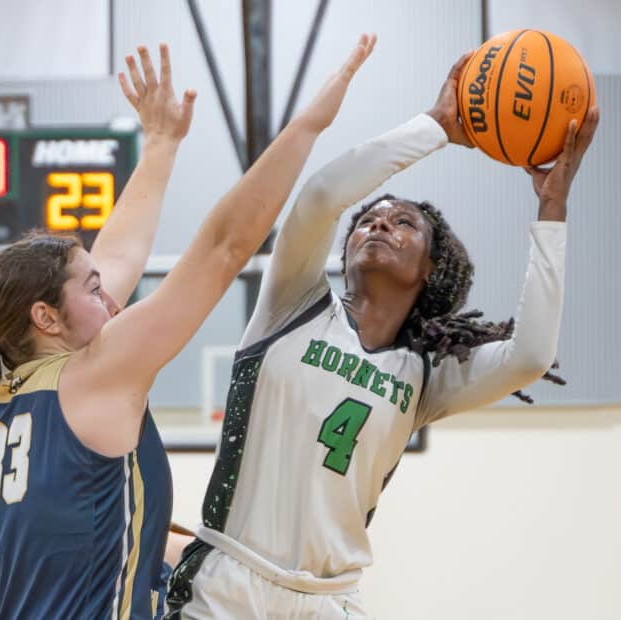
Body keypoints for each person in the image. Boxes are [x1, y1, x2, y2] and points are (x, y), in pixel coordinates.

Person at [0, 35, 376, 619]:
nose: (115, 301)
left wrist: (161, 145)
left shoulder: (15, 389)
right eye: (94, 292)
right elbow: (224, 247)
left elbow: (115, 258)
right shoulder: (93, 375)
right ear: (46, 317)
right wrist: (308, 127)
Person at [165, 52, 600, 619]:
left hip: (330, 601)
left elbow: (531, 355)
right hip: (228, 585)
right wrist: (435, 128)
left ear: (431, 269)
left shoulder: (423, 377)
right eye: (369, 220)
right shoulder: (291, 304)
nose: (379, 225)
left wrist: (552, 208)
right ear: (343, 252)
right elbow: (322, 195)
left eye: (403, 223)